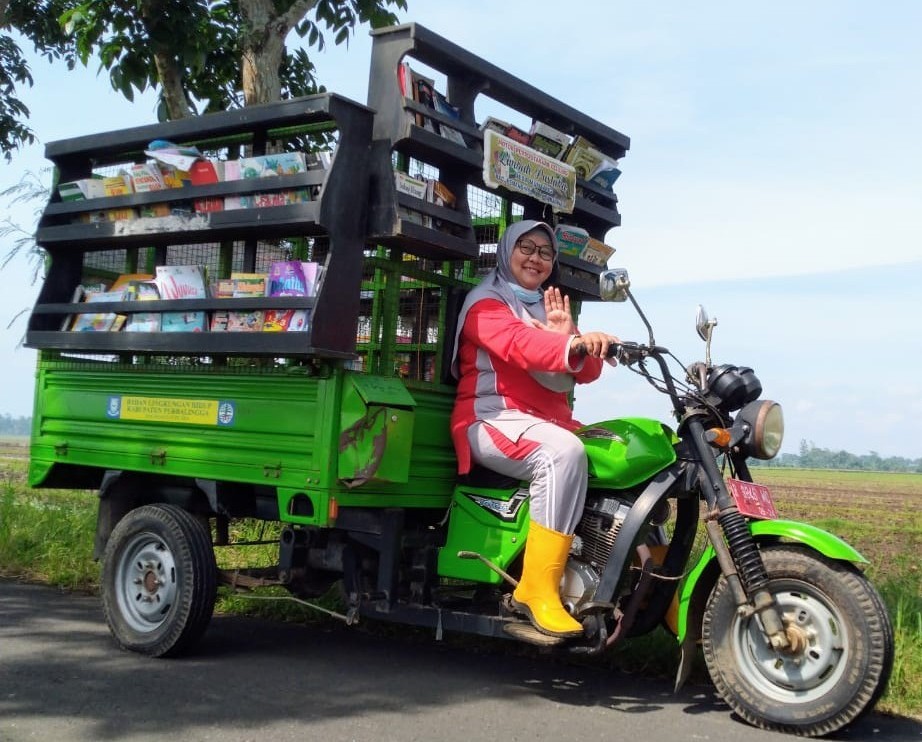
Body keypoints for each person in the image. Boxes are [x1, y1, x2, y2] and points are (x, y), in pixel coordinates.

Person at [450, 220, 619, 638]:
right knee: (562, 453)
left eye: (545, 253)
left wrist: (572, 337)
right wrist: (570, 342)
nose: (536, 258)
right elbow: (520, 345)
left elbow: (586, 372)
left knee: (623, 448)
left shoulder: (551, 307)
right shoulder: (484, 304)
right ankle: (537, 588)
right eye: (526, 247)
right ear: (506, 252)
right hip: (491, 418)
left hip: (546, 422)